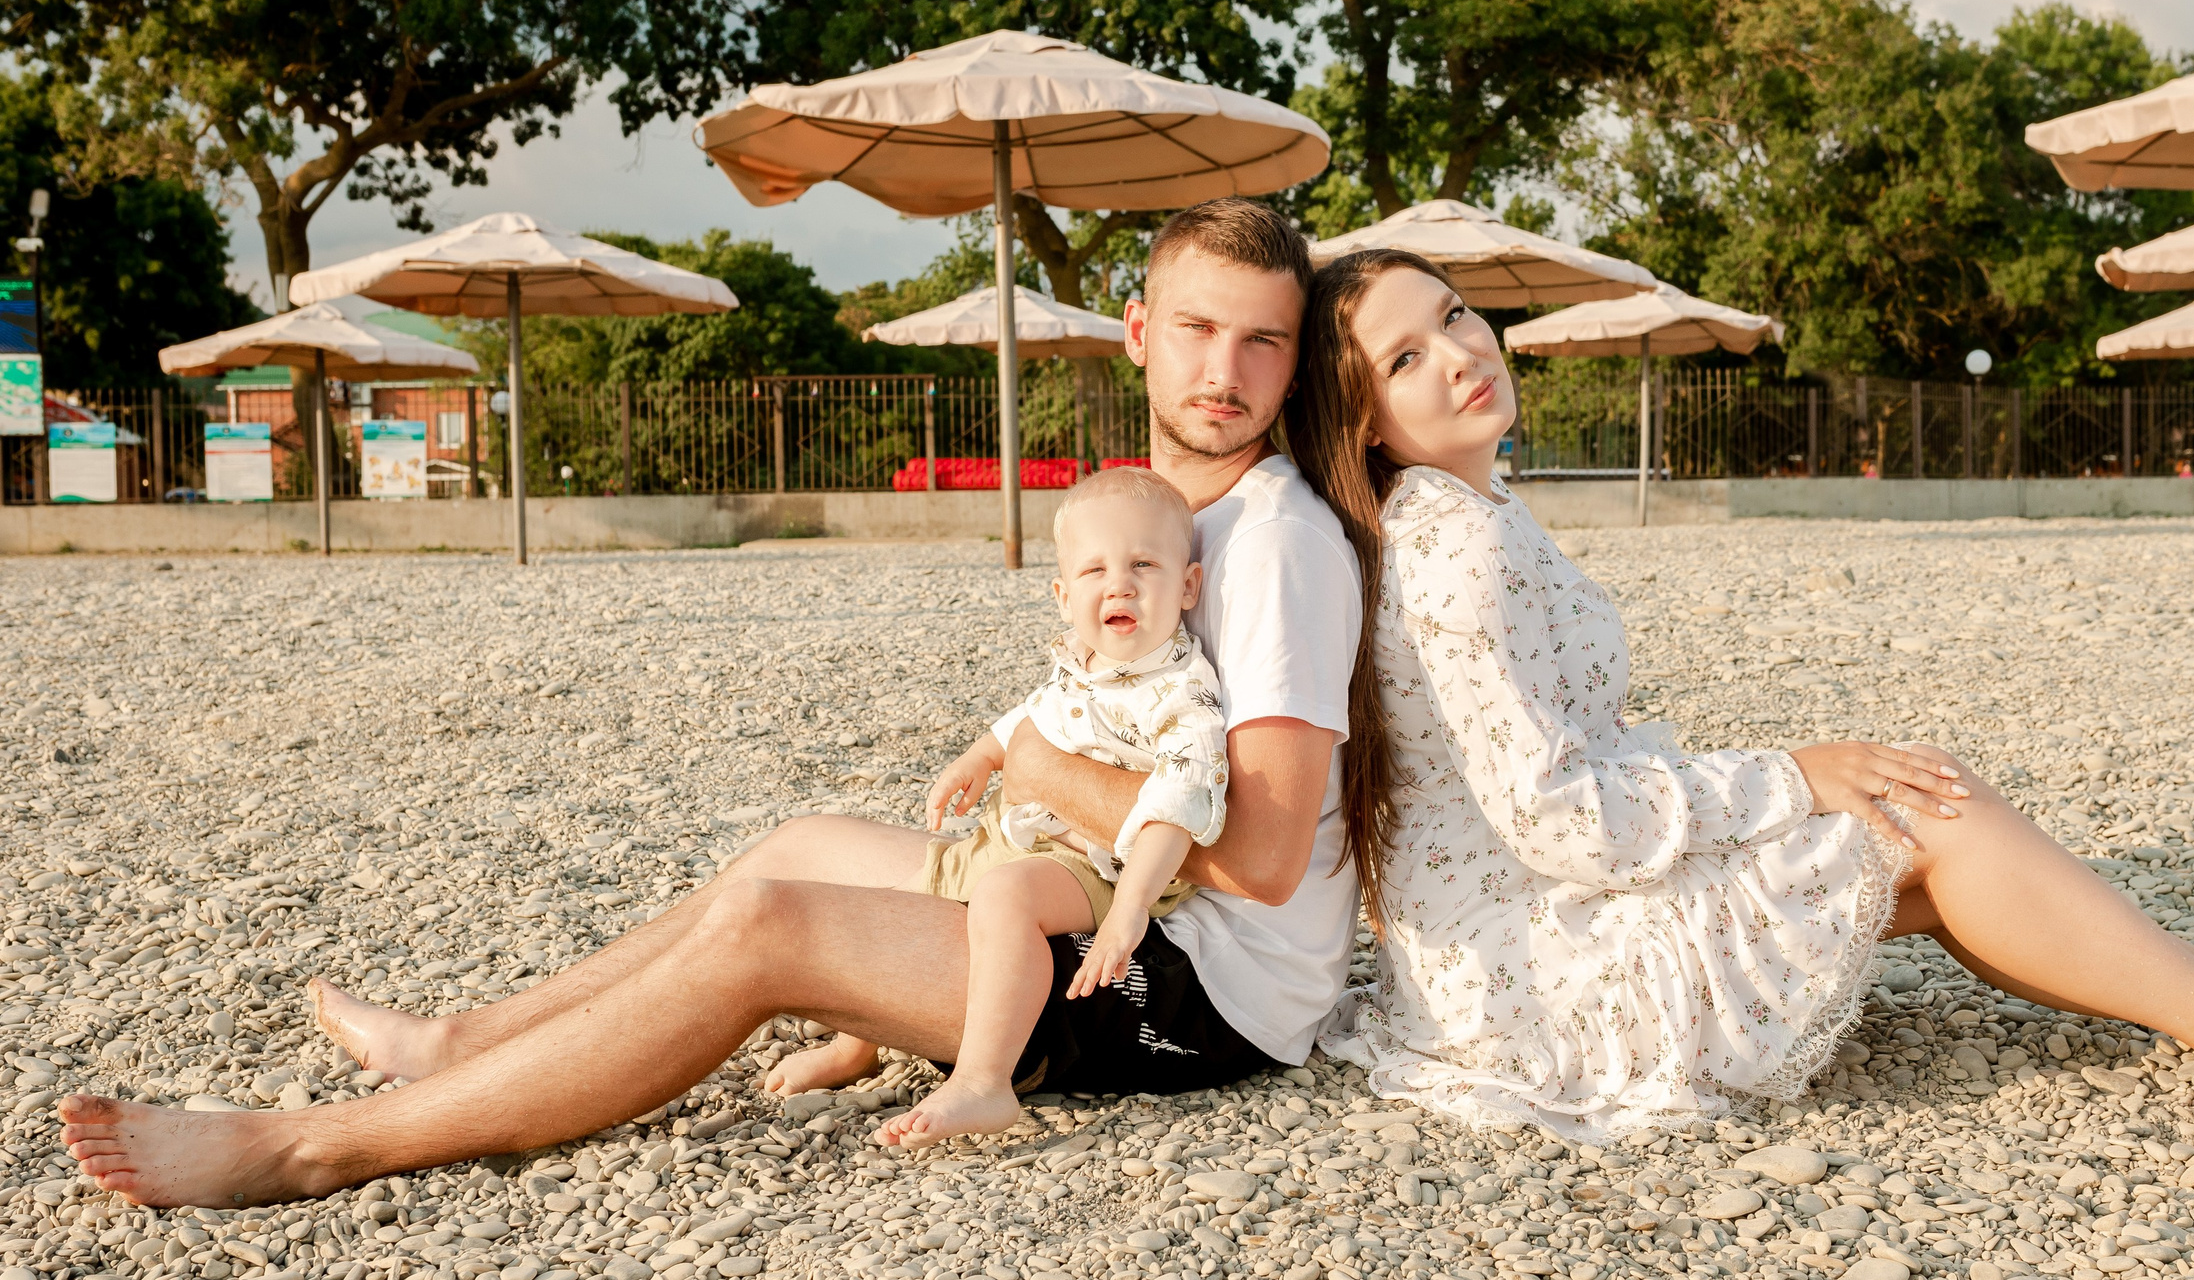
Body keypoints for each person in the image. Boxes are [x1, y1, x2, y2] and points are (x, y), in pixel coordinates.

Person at [54, 198, 1367, 1206]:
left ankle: (306, 1147)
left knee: (764, 925)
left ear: (1293, 360)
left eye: (1263, 337)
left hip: (1200, 990)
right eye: (1198, 325)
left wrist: (1030, 763)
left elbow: (1255, 858)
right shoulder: (1166, 514)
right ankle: (469, 1035)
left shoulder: (1279, 547)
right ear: (1140, 331)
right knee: (797, 841)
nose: (1225, 366)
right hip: (1104, 896)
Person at [1288, 247, 2194, 1140]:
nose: (1458, 354)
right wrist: (1791, 773)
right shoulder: (1458, 546)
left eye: (1453, 316)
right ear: (1371, 424)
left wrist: (1798, 782)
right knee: (1934, 818)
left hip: (1514, 925)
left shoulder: (1466, 513)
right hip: (1539, 967)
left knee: (1928, 844)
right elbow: (1557, 817)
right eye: (1406, 357)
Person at [801, 465, 1234, 1147]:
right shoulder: (1083, 659)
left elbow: (1177, 806)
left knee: (1005, 896)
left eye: (1143, 563)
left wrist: (1127, 912)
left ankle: (984, 1080)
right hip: (1029, 834)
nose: (1118, 583)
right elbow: (1037, 713)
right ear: (1064, 596)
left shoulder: (1182, 693)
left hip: (1108, 864)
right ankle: (861, 1041)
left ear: (1188, 585)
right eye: (1094, 571)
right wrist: (979, 757)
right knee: (905, 901)